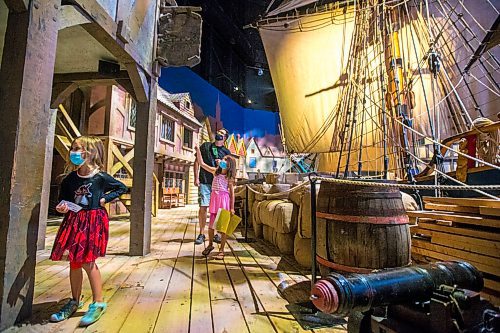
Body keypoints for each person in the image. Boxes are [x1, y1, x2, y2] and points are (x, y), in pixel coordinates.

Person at [49, 136, 128, 326]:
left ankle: (98, 302)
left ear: (90, 153)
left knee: (87, 260)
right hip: (74, 221)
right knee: (74, 262)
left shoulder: (99, 177)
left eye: (78, 149)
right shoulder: (70, 179)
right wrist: (61, 207)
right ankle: (75, 300)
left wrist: (105, 199)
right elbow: (63, 199)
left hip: (92, 221)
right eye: (73, 148)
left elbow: (121, 187)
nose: (74, 152)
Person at [195, 146, 236, 259]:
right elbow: (202, 164)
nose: (222, 161)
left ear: (229, 166)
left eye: (225, 160)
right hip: (215, 200)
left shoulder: (229, 178)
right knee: (211, 227)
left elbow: (232, 194)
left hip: (224, 201)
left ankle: (222, 250)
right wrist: (198, 151)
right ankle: (210, 245)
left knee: (222, 229)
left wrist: (232, 208)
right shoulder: (215, 172)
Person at [194, 129, 231, 245]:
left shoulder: (226, 152)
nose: (218, 133)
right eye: (218, 132)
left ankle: (218, 234)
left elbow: (230, 169)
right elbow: (199, 162)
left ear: (225, 138)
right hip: (205, 180)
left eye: (221, 133)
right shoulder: (206, 146)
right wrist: (196, 177)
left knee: (219, 211)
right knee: (203, 207)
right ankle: (201, 233)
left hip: (220, 188)